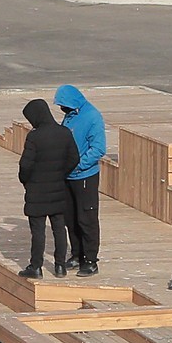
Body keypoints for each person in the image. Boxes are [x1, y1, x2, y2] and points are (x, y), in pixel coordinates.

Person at [16, 98, 78, 279]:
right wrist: (61, 174)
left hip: (37, 190)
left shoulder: (35, 137)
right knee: (59, 227)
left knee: (38, 230)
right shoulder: (64, 133)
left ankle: (36, 266)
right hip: (58, 186)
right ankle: (60, 266)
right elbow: (74, 158)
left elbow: (25, 166)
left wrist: (26, 181)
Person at [52, 85, 106, 278]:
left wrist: (77, 165)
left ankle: (91, 260)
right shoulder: (70, 116)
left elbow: (98, 149)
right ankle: (76, 254)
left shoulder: (92, 117)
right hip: (67, 176)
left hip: (85, 176)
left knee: (86, 218)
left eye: (63, 105)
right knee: (71, 218)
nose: (61, 109)